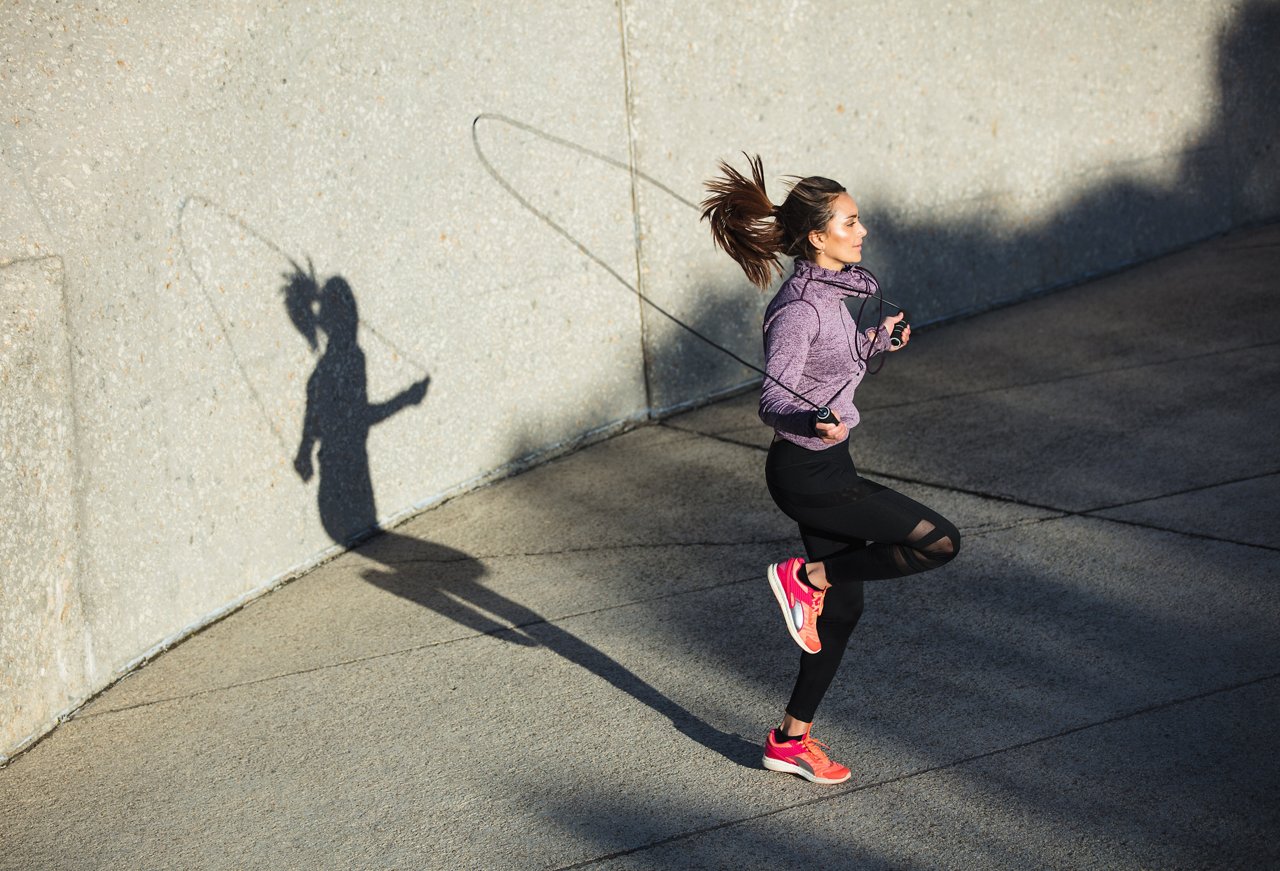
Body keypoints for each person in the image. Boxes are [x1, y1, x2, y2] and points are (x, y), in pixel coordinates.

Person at [701, 155, 961, 785]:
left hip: (827, 464)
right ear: (818, 237)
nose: (862, 230)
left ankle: (790, 740)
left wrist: (877, 344)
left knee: (843, 615)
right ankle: (806, 575)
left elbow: (833, 365)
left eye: (859, 218)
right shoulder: (798, 309)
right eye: (850, 221)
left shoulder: (839, 294)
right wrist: (811, 418)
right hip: (809, 475)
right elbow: (774, 398)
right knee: (939, 541)